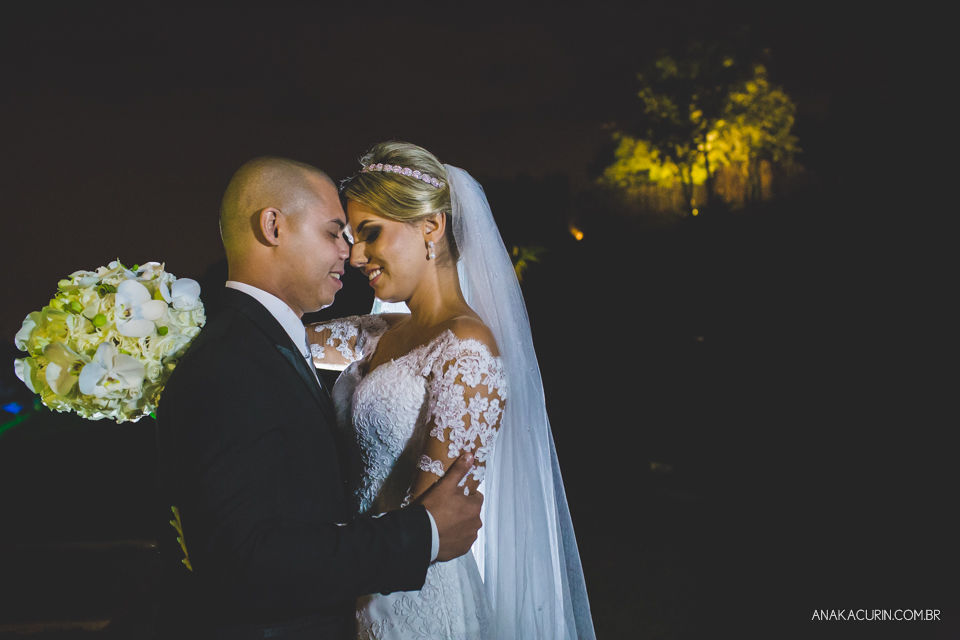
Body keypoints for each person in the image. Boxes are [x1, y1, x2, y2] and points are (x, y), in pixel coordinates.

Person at [155, 157, 484, 640]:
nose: (349, 255)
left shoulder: (264, 344)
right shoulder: (232, 362)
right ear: (273, 226)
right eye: (336, 233)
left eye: (359, 235)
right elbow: (243, 557)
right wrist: (426, 533)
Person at [309, 142, 595, 639]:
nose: (355, 256)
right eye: (353, 238)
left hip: (409, 598)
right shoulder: (382, 332)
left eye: (371, 234)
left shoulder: (466, 347)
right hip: (357, 575)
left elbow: (431, 518)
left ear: (431, 227)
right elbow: (283, 338)